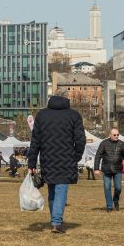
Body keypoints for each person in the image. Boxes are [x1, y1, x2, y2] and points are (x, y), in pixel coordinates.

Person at [28, 90, 86, 234]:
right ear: (67, 99)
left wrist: (32, 163)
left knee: (52, 191)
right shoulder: (73, 115)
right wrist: (77, 156)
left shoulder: (42, 115)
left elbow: (35, 141)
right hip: (67, 159)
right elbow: (80, 140)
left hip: (47, 158)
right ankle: (56, 222)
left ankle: (55, 220)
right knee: (61, 190)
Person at [94, 128, 124, 211]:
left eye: (117, 135)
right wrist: (96, 168)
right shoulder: (104, 143)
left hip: (118, 170)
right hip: (106, 169)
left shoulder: (121, 144)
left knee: (118, 188)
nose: (116, 136)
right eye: (114, 135)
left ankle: (116, 200)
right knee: (107, 187)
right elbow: (98, 156)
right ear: (110, 135)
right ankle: (109, 206)